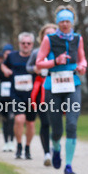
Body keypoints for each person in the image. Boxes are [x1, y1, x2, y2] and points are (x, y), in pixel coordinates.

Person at [35, 6, 87, 174]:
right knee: (56, 129)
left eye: (68, 21)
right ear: (58, 22)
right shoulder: (49, 39)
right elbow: (39, 63)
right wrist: (55, 61)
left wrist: (82, 66)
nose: (65, 24)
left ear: (72, 22)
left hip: (73, 84)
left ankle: (69, 166)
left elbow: (82, 58)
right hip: (53, 85)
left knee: (72, 124)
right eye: (62, 21)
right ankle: (55, 149)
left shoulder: (78, 39)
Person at [2, 33, 37, 160]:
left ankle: (27, 148)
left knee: (30, 123)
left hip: (32, 94)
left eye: (28, 43)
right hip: (16, 94)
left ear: (32, 45)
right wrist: (5, 69)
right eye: (23, 43)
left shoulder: (36, 56)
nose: (26, 45)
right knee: (19, 120)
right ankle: (19, 145)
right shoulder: (12, 56)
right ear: (19, 44)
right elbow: (3, 64)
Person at [29, 24, 57, 166]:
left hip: (57, 88)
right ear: (42, 37)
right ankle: (47, 152)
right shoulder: (36, 52)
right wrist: (35, 69)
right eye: (47, 34)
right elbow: (28, 67)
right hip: (41, 91)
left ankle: (55, 147)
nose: (49, 37)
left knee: (55, 122)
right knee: (45, 122)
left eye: (52, 34)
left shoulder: (60, 50)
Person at [0, 44, 16, 151]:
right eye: (6, 53)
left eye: (10, 53)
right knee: (5, 119)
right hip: (3, 96)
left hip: (14, 96)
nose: (8, 55)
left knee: (12, 119)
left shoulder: (15, 65)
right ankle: (6, 142)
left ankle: (12, 142)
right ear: (4, 54)